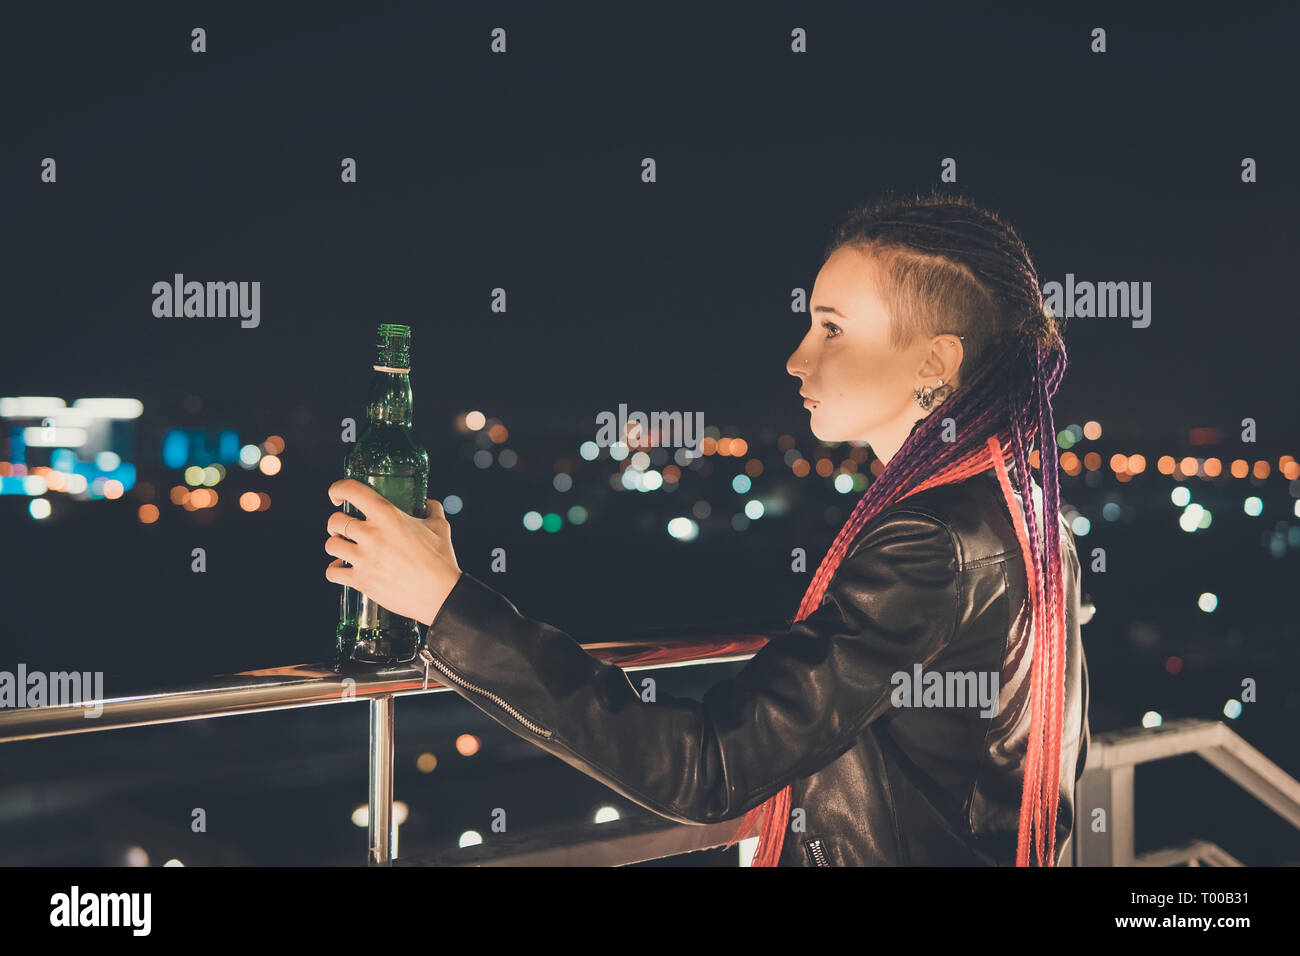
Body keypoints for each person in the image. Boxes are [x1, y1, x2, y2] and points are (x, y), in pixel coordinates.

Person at [324, 190, 1090, 867]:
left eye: (831, 329)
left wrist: (448, 604)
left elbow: (711, 767)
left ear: (935, 361)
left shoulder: (934, 543)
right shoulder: (1028, 511)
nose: (796, 359)